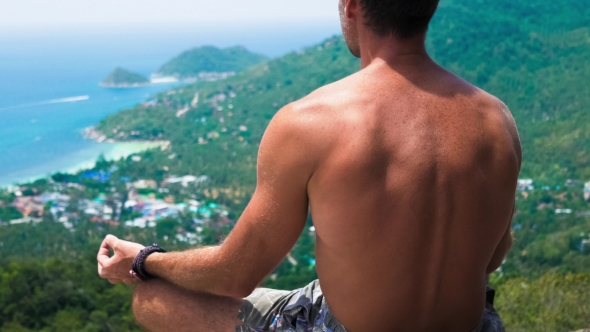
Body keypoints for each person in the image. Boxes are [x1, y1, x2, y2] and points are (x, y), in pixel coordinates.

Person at [97, 0, 521, 330]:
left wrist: (144, 260)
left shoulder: (312, 121)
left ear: (352, 5)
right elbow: (494, 255)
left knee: (153, 300)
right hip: (475, 326)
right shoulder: (495, 121)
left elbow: (234, 275)